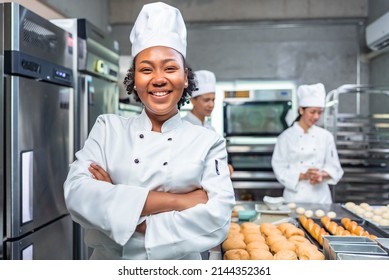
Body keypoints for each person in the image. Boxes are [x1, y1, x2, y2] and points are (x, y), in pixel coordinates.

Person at [63, 2, 235, 260]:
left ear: (185, 77)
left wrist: (121, 211)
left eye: (170, 68)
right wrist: (179, 201)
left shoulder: (208, 142)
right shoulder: (108, 128)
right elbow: (77, 194)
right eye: (146, 69)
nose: (158, 79)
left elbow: (218, 220)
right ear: (135, 78)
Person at [271, 83, 344, 204]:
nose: (316, 116)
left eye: (320, 112)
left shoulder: (326, 136)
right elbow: (279, 168)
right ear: (301, 110)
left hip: (321, 199)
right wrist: (303, 176)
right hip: (294, 198)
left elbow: (335, 167)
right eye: (312, 112)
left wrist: (322, 175)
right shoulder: (285, 137)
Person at [183, 70, 234, 175]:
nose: (211, 105)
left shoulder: (210, 129)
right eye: (206, 100)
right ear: (193, 100)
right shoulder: (183, 128)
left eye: (213, 100)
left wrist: (224, 167)